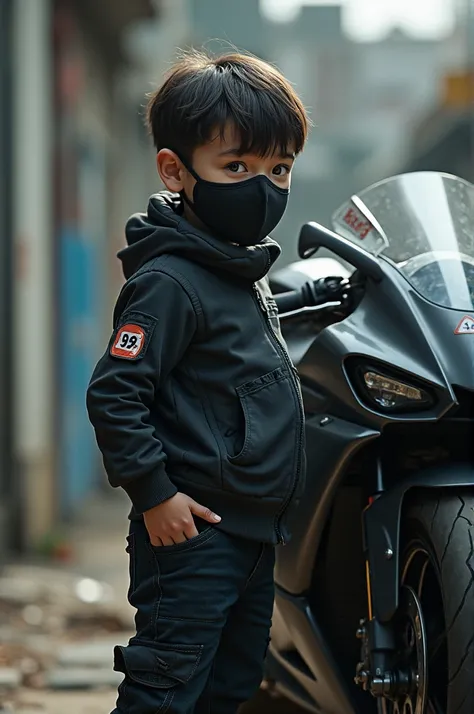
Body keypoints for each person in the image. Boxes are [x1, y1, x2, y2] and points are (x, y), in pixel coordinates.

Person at [86, 49, 310, 714]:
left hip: (250, 533)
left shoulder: (237, 271)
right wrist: (156, 494)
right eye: (236, 167)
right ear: (175, 170)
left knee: (231, 687)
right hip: (191, 533)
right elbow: (116, 394)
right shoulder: (169, 282)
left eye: (279, 169)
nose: (263, 187)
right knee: (167, 687)